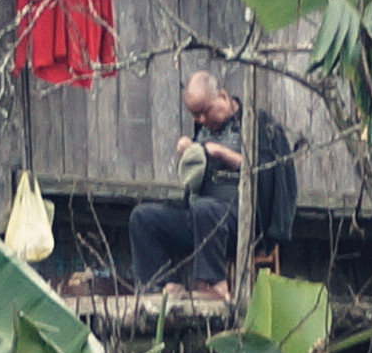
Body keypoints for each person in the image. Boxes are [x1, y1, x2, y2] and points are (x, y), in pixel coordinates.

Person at [119, 71, 296, 293]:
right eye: (195, 115)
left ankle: (213, 285)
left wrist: (222, 153)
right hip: (200, 216)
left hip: (243, 220)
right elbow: (193, 182)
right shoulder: (203, 129)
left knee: (205, 209)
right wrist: (189, 152)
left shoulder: (260, 124)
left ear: (222, 96)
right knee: (142, 218)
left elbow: (271, 173)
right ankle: (163, 285)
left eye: (205, 112)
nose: (201, 120)